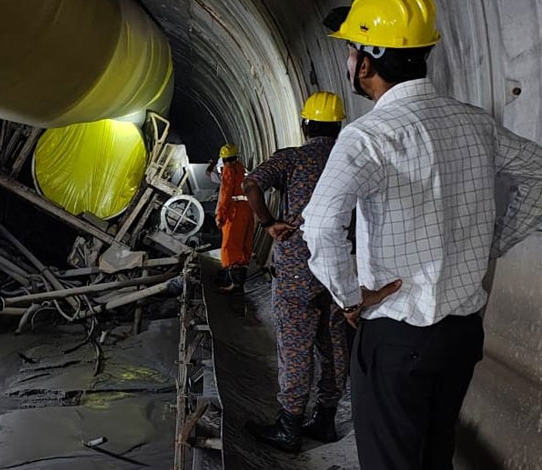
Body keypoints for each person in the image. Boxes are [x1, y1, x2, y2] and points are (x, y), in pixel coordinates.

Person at [301, 1, 542, 468]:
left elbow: (322, 223)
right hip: (462, 334)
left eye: (350, 51)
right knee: (435, 455)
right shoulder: (473, 123)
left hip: (397, 336)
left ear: (365, 62)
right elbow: (537, 171)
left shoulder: (368, 137)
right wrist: (495, 239)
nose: (349, 62)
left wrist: (350, 297)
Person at [243, 92, 349, 453]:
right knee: (333, 342)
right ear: (339, 125)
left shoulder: (292, 158)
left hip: (296, 268)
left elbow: (251, 183)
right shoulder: (349, 157)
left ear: (305, 125)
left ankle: (289, 425)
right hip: (340, 265)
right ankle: (326, 419)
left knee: (295, 344)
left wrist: (269, 223)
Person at [214, 144, 254, 294]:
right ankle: (237, 281)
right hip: (247, 209)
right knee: (243, 246)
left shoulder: (228, 171)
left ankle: (234, 285)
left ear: (223, 160)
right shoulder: (242, 169)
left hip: (234, 211)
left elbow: (225, 195)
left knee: (230, 247)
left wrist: (220, 216)